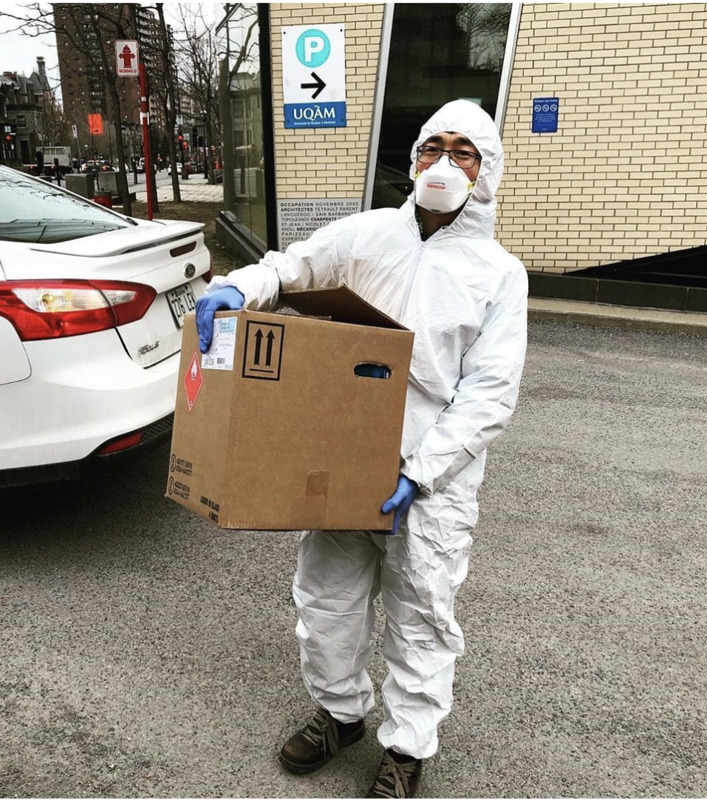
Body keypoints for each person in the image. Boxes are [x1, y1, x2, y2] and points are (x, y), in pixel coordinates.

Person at [195, 99, 528, 798]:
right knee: (328, 601)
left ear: (486, 170)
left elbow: (488, 395)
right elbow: (291, 269)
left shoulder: (498, 274)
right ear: (411, 162)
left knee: (420, 614)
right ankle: (340, 713)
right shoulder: (370, 234)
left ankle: (406, 749)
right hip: (342, 458)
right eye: (431, 148)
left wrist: (422, 473)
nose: (443, 163)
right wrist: (238, 285)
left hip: (430, 480)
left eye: (462, 151)